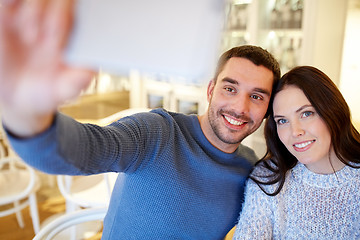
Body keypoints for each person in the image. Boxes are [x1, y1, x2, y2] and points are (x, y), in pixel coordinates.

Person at [0, 1, 280, 239]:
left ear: (268, 108)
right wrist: (24, 105)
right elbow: (80, 151)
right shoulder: (157, 132)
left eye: (257, 96)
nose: (239, 107)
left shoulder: (250, 167)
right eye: (229, 89)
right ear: (210, 90)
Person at [233, 66, 360, 239]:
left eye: (307, 114)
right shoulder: (269, 179)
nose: (295, 131)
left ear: (333, 111)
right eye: (282, 120)